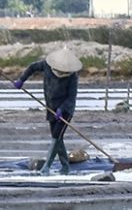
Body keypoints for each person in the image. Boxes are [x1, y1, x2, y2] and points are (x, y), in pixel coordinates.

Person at [12, 45, 81, 174]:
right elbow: (32, 67)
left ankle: (47, 167)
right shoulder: (46, 66)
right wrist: (22, 80)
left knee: (56, 137)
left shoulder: (72, 77)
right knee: (58, 138)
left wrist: (62, 109)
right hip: (51, 107)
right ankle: (65, 166)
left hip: (65, 111)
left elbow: (71, 97)